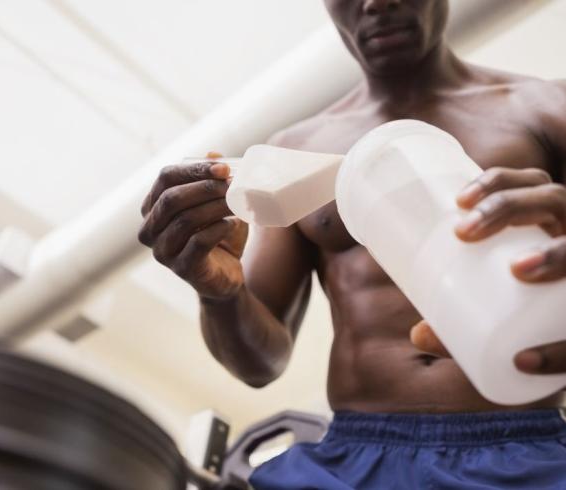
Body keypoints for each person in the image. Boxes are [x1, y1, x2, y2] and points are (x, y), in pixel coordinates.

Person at [138, 0, 566, 487]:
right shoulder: (297, 150)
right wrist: (221, 292)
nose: (375, 2)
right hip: (350, 462)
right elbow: (259, 364)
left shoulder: (548, 109)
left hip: (526, 453)